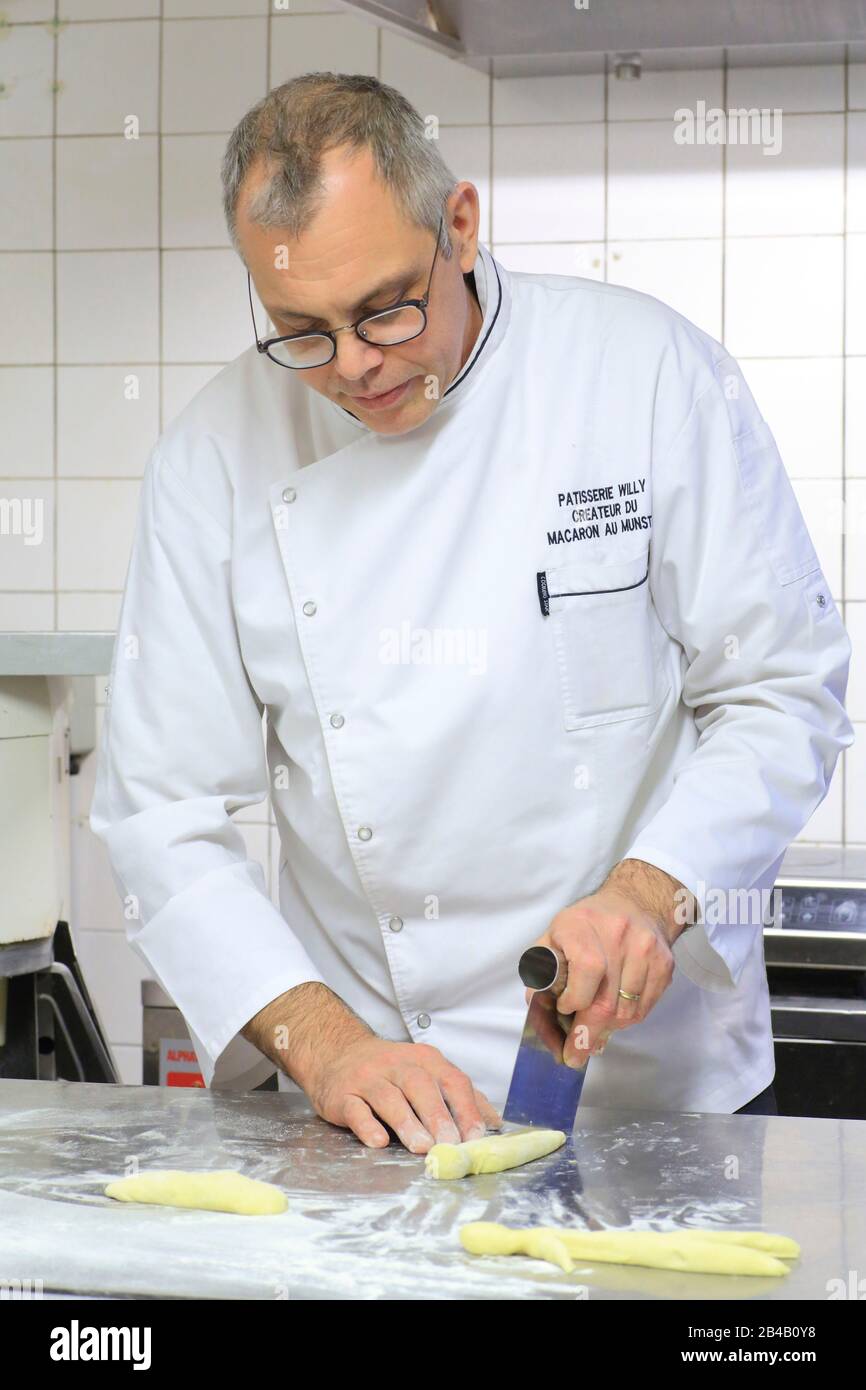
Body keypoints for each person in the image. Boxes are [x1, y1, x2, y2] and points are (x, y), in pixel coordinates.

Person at [90, 72, 852, 1151]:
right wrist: (322, 1040)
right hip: (369, 1100)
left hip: (649, 1092)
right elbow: (159, 813)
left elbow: (778, 689)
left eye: (385, 308)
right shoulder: (211, 456)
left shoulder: (641, 375)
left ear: (458, 224)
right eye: (301, 331)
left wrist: (647, 893)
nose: (353, 366)